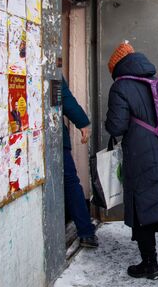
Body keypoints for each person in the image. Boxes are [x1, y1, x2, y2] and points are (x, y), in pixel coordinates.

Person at [105, 41, 158, 280]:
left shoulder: (121, 87)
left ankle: (149, 264)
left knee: (142, 209)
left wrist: (108, 122)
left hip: (141, 155)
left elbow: (117, 125)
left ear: (117, 68)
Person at [62, 78, 98, 248]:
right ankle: (86, 232)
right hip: (54, 140)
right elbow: (64, 96)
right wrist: (82, 122)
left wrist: (82, 122)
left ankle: (85, 232)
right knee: (70, 183)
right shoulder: (46, 62)